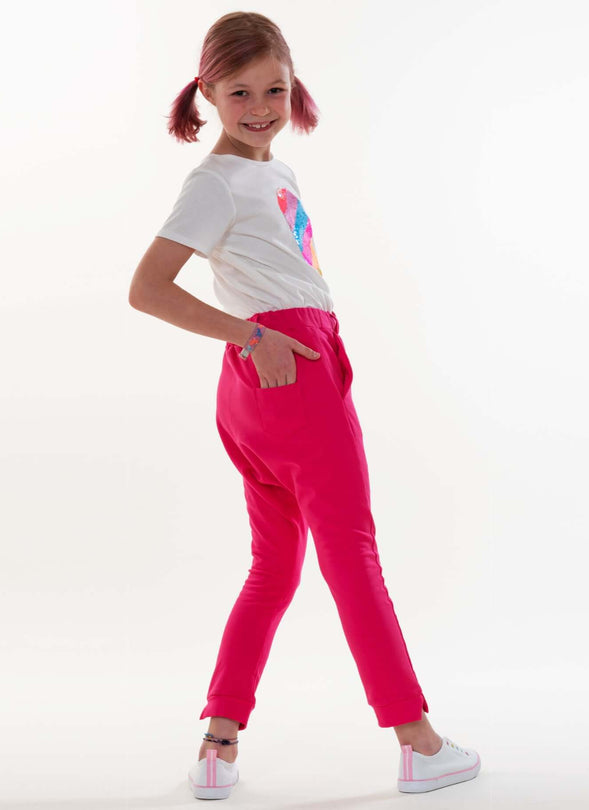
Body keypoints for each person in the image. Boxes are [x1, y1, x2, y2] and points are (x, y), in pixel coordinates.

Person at [127, 11, 481, 801]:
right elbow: (147, 289)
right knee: (352, 554)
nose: (259, 107)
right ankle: (418, 742)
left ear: (294, 86)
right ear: (207, 92)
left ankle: (217, 745)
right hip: (285, 368)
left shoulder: (273, 171)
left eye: (274, 89)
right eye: (240, 92)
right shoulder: (215, 182)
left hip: (271, 376)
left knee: (274, 567)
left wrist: (267, 341)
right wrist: (254, 335)